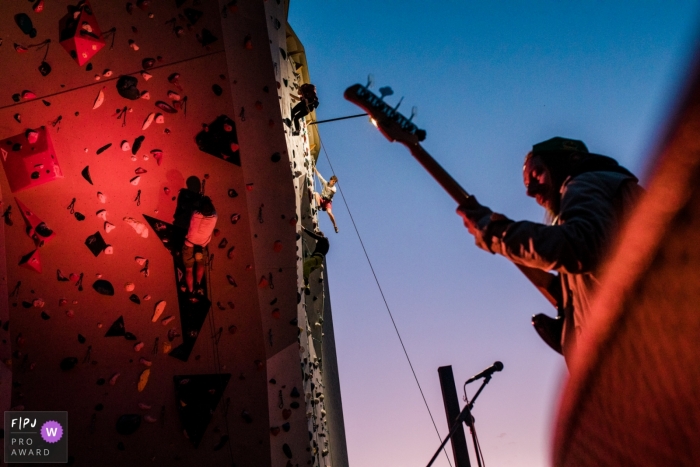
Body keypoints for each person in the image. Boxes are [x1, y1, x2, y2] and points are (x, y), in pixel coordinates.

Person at [457, 137, 643, 362]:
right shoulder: (607, 193)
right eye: (527, 184)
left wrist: (492, 230)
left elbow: (579, 246)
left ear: (570, 162)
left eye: (537, 174)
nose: (530, 190)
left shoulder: (585, 181)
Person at [182, 196, 218, 301]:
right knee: (200, 263)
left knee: (189, 269)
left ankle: (191, 291)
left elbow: (194, 206)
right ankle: (198, 284)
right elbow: (213, 209)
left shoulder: (195, 214)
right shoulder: (215, 216)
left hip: (189, 244)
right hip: (202, 245)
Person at [313, 166, 339, 233]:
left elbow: (334, 191)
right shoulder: (326, 183)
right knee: (316, 193)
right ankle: (319, 206)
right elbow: (319, 176)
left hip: (328, 202)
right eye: (333, 181)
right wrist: (315, 169)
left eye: (334, 182)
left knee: (329, 213)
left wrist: (329, 189)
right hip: (322, 199)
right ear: (330, 180)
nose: (333, 183)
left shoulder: (334, 188)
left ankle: (335, 226)